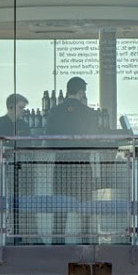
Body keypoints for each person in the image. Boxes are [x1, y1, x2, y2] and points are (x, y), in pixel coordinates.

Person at [44, 79, 102, 245]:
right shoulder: (89, 113)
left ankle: (57, 245)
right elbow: (93, 140)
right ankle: (85, 244)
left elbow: (49, 139)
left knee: (60, 209)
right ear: (81, 92)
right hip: (82, 166)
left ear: (68, 90)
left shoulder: (54, 111)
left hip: (62, 165)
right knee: (84, 208)